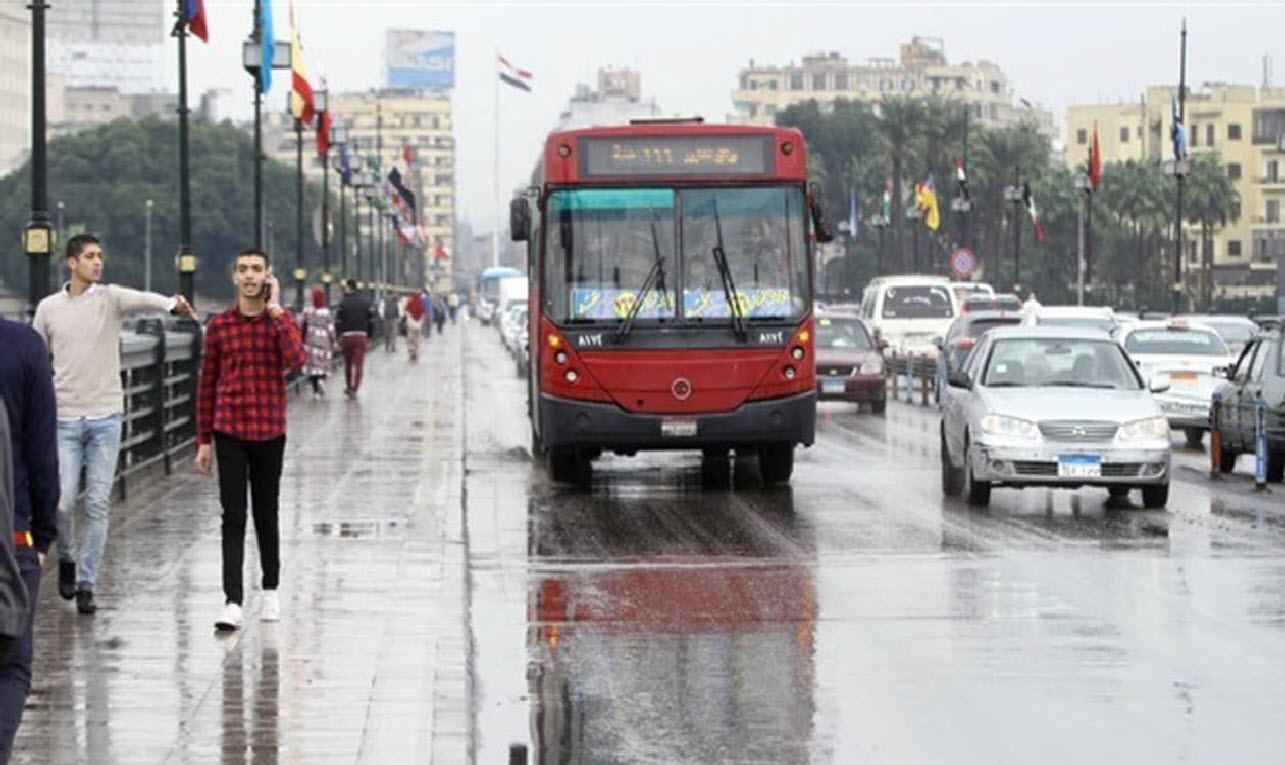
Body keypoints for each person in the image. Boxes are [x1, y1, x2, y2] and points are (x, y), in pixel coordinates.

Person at [32, 233, 197, 615]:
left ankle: (88, 584)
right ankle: (68, 558)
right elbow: (37, 359)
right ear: (71, 263)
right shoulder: (49, 309)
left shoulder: (110, 298)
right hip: (64, 418)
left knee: (98, 503)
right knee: (62, 501)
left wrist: (174, 305)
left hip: (106, 416)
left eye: (100, 256)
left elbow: (146, 299)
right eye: (90, 257)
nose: (97, 262)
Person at [196, 248, 306, 632]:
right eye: (242, 269)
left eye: (256, 269)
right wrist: (203, 440)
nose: (249, 276)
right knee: (232, 515)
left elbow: (298, 360)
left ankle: (270, 589)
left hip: (269, 428)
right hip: (229, 429)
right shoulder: (221, 326)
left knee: (266, 512)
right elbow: (207, 383)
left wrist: (276, 310)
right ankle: (232, 601)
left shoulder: (281, 321)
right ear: (234, 276)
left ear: (267, 277)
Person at [0, 317, 58, 760]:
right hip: (11, 536)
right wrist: (41, 537)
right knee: (11, 665)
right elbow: (41, 451)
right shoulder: (24, 346)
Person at [335, 280, 375, 399]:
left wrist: (338, 336)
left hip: (347, 336)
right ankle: (355, 388)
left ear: (350, 288)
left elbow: (338, 322)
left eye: (345, 288)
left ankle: (349, 385)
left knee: (347, 364)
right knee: (359, 365)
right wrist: (369, 336)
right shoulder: (365, 303)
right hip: (361, 336)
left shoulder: (343, 303)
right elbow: (371, 321)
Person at [300, 288, 336, 400]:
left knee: (312, 366)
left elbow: (303, 326)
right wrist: (334, 340)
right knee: (323, 363)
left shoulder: (307, 311)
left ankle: (315, 392)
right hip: (323, 340)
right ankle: (322, 379)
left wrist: (302, 339)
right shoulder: (326, 313)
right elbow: (330, 328)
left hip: (310, 339)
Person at [404, 293, 426, 362]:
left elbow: (406, 312)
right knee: (417, 340)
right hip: (418, 326)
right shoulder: (421, 304)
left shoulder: (409, 303)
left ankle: (411, 353)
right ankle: (416, 353)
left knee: (410, 340)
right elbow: (423, 315)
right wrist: (421, 323)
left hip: (410, 325)